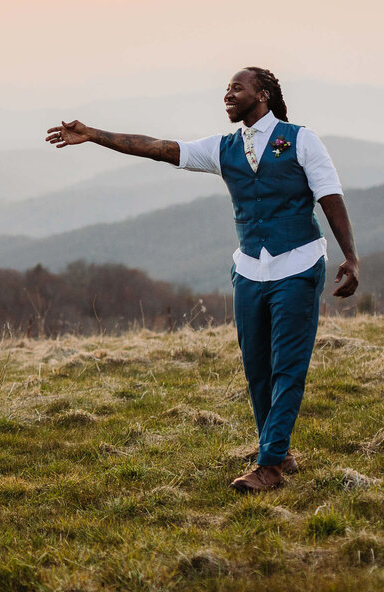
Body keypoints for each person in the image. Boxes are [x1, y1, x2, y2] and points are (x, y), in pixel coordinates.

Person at [46, 67, 358, 493]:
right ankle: (279, 448)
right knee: (256, 368)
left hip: (298, 265)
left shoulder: (302, 140)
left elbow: (330, 197)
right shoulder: (222, 148)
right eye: (226, 89)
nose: (227, 94)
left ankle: (269, 467)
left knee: (287, 366)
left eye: (236, 88)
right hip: (250, 270)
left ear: (262, 94)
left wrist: (351, 258)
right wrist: (94, 135)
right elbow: (160, 149)